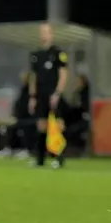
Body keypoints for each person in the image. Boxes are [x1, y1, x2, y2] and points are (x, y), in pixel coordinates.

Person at [28, 23, 69, 167]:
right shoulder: (36, 55)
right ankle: (40, 159)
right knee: (41, 126)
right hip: (41, 95)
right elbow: (33, 77)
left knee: (58, 125)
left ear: (51, 34)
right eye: (41, 32)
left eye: (46, 32)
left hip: (54, 95)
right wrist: (32, 97)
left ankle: (60, 158)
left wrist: (57, 93)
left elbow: (63, 74)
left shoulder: (58, 53)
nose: (43, 35)